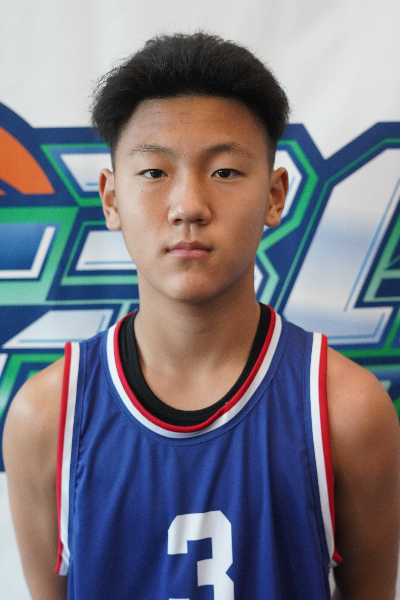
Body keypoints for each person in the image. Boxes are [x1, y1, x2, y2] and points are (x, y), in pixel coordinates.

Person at [3, 32, 400, 600]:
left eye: (225, 172)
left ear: (275, 195)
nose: (188, 206)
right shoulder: (47, 418)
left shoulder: (346, 410)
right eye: (154, 172)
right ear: (111, 199)